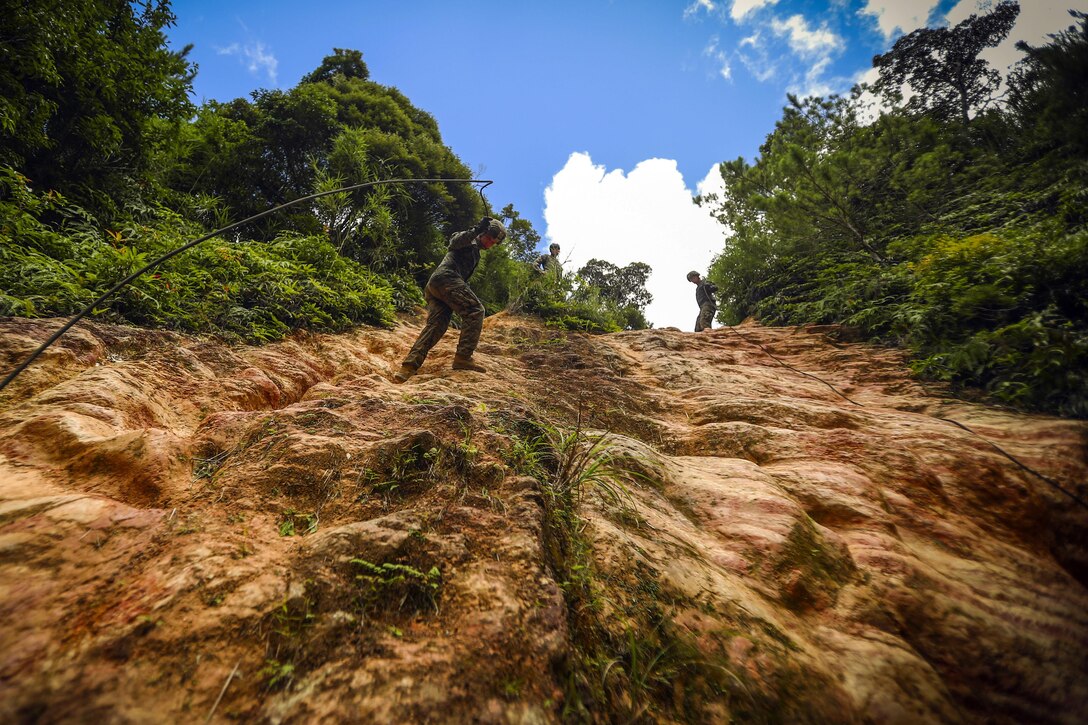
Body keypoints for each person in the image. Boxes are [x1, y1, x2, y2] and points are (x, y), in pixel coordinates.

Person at [394, 217, 507, 383]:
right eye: (489, 238)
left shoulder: (476, 252)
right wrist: (476, 230)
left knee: (436, 326)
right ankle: (463, 357)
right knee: (475, 311)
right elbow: (454, 241)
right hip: (446, 279)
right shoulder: (469, 240)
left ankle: (407, 368)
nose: (490, 243)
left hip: (439, 285)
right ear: (483, 232)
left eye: (494, 242)